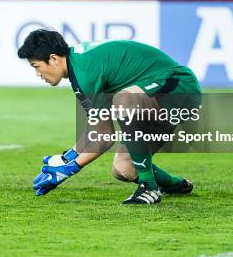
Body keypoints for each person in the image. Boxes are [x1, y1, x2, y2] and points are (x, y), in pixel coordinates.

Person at [17, 29, 201, 204]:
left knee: (124, 99)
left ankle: (149, 188)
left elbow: (104, 139)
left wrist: (67, 170)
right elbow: (99, 129)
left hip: (179, 85)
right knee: (123, 169)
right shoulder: (78, 68)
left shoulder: (85, 72)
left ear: (53, 59)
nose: (38, 74)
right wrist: (68, 157)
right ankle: (177, 185)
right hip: (160, 97)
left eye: (36, 66)